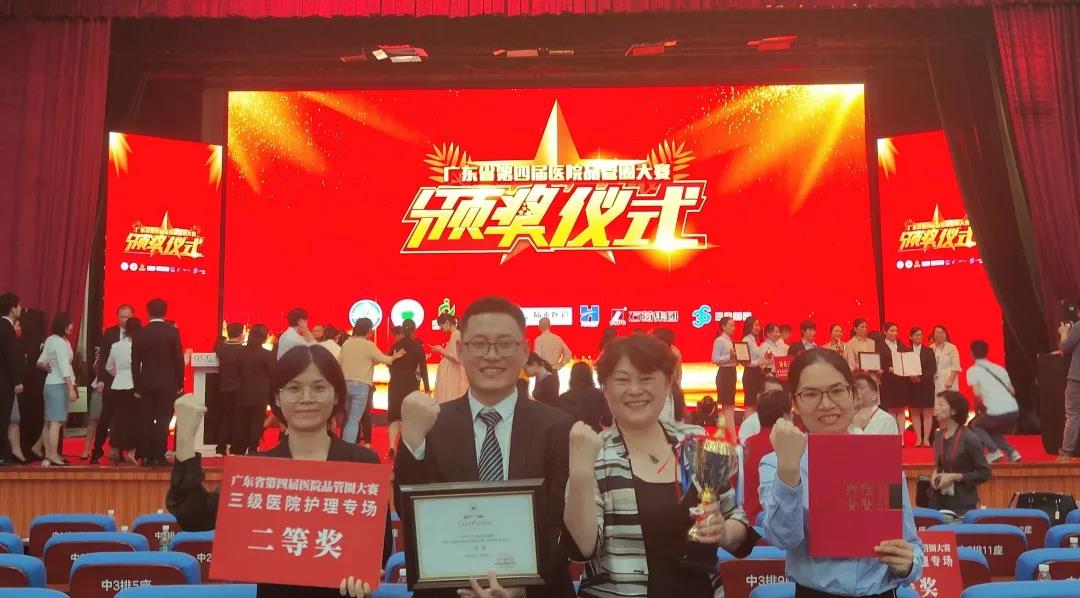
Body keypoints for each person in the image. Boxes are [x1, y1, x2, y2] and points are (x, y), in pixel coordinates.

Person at [167, 344, 383, 597]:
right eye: (294, 388)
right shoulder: (258, 471)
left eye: (319, 387)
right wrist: (185, 440)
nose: (306, 398)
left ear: (336, 395)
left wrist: (366, 577)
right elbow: (195, 517)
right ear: (277, 398)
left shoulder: (363, 464)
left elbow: (381, 549)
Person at [395, 296, 574, 598]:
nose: (492, 355)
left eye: (504, 344)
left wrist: (522, 587)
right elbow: (411, 514)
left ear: (524, 351)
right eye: (479, 344)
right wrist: (411, 440)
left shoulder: (558, 427)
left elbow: (564, 527)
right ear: (461, 350)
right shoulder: (431, 424)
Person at [563, 334, 756, 598]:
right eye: (622, 380)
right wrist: (580, 474)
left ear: (667, 385)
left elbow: (738, 522)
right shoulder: (594, 454)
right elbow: (583, 548)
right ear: (605, 389)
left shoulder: (696, 444)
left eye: (646, 379)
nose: (635, 390)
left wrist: (723, 531)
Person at [760, 349, 923, 596]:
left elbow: (910, 542)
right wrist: (789, 471)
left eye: (837, 391)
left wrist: (908, 564)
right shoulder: (777, 463)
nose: (826, 404)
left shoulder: (881, 459)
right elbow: (784, 539)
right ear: (795, 403)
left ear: (854, 395)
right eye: (811, 394)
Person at [131, 298, 185, 467]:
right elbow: (178, 359)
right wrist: (179, 382)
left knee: (146, 419)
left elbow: (135, 362)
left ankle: (145, 456)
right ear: (165, 312)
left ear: (148, 312)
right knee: (163, 420)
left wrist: (136, 385)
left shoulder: (140, 333)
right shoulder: (172, 332)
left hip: (146, 382)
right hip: (168, 382)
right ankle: (159, 455)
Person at [338, 318, 402, 444]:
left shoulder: (347, 344)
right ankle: (348, 448)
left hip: (345, 384)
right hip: (361, 385)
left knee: (348, 418)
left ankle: (344, 446)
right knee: (354, 420)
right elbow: (386, 360)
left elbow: (339, 361)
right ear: (368, 330)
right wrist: (395, 356)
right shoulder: (368, 345)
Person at [929, 391, 990, 516]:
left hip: (963, 505)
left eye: (941, 404)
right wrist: (935, 474)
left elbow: (985, 473)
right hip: (938, 502)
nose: (936, 408)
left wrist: (955, 477)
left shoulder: (970, 439)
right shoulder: (938, 435)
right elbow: (941, 465)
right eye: (936, 404)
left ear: (954, 411)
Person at [90, 304, 134, 464]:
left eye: (128, 316)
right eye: (122, 316)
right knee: (106, 417)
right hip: (111, 383)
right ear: (117, 317)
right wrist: (101, 379)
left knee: (126, 418)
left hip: (131, 384)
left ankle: (120, 451)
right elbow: (103, 359)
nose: (125, 319)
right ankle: (97, 451)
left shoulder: (137, 333)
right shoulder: (110, 333)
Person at [743, 389, 793, 526]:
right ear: (786, 416)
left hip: (745, 524)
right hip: (778, 526)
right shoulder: (794, 446)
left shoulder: (744, 446)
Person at [965, 340, 1021, 463]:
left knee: (976, 425)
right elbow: (1012, 390)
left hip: (997, 411)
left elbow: (977, 394)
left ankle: (993, 451)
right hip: (1014, 410)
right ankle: (1012, 453)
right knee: (991, 429)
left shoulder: (973, 371)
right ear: (987, 352)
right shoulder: (999, 369)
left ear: (971, 353)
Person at [34, 313, 77, 467]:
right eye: (69, 324)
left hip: (50, 384)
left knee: (49, 421)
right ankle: (52, 455)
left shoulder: (51, 340)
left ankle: (49, 453)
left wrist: (48, 368)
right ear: (62, 325)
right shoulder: (59, 343)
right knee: (56, 422)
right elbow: (64, 367)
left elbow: (40, 362)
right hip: (59, 385)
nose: (71, 326)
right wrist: (71, 388)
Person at [387, 319, 429, 455]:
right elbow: (423, 369)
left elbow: (389, 363)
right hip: (410, 385)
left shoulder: (395, 346)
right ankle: (405, 449)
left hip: (394, 384)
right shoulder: (417, 347)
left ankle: (391, 446)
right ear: (413, 330)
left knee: (394, 417)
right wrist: (427, 388)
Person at [105, 317, 142, 465]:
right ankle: (132, 450)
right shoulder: (139, 346)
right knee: (134, 420)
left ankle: (114, 449)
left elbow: (108, 367)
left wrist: (119, 375)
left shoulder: (116, 346)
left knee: (118, 419)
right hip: (133, 385)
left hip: (117, 385)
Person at [235, 324, 275, 455]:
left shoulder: (239, 353)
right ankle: (253, 448)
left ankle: (239, 449)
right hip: (260, 394)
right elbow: (273, 374)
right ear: (264, 338)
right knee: (256, 423)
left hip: (242, 392)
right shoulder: (267, 355)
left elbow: (236, 372)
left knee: (241, 422)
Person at [213, 323, 245, 455]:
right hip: (239, 388)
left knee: (225, 418)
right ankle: (235, 449)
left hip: (224, 388)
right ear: (241, 334)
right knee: (238, 419)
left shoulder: (220, 348)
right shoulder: (243, 350)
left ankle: (220, 449)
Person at [0, 292, 24, 466]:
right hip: (4, 381)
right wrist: (17, 381)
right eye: (19, 306)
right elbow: (11, 357)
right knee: (3, 418)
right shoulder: (6, 328)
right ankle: (3, 456)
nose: (21, 308)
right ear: (12, 309)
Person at [878, 322, 910, 444]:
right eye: (891, 330)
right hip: (888, 380)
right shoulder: (880, 345)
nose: (894, 333)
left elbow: (906, 359)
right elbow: (878, 361)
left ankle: (901, 437)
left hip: (900, 380)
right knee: (891, 409)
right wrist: (888, 368)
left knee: (901, 409)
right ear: (885, 332)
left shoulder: (901, 344)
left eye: (896, 331)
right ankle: (893, 436)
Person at [557, 361, 611, 432]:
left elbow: (561, 422)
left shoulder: (564, 397)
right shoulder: (599, 394)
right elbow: (608, 421)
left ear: (572, 377)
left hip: (571, 435)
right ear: (589, 375)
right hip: (595, 434)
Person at [907, 328, 937, 447]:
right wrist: (910, 377)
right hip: (912, 385)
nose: (918, 337)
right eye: (916, 335)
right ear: (910, 337)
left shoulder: (929, 351)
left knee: (927, 413)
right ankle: (918, 438)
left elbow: (932, 369)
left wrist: (921, 378)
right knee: (915, 413)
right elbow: (904, 367)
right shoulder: (906, 351)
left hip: (926, 385)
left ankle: (926, 439)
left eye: (920, 334)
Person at [430, 313, 468, 404]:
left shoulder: (456, 335)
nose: (441, 329)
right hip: (450, 373)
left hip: (452, 374)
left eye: (441, 326)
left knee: (451, 397)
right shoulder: (455, 335)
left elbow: (456, 356)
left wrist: (441, 350)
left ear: (447, 322)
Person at [738, 376, 788, 446]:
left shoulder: (788, 420)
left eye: (780, 395)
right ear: (759, 396)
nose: (777, 399)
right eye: (773, 395)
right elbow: (743, 450)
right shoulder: (749, 423)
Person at [1057, 321, 1080, 462]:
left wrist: (1064, 332)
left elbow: (1064, 348)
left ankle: (1065, 454)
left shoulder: (1078, 326)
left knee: (1073, 416)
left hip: (1077, 379)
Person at [712, 317, 738, 438]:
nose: (733, 328)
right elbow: (714, 359)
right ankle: (733, 437)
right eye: (731, 325)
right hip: (724, 374)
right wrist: (729, 356)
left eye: (734, 325)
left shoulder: (731, 341)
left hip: (732, 373)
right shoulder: (720, 340)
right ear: (723, 326)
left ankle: (721, 434)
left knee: (728, 405)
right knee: (728, 406)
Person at [651, 327, 685, 422]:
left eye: (652, 338)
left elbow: (678, 374)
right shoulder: (673, 352)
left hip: (667, 391)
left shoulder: (673, 354)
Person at [741, 317, 766, 415]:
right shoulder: (746, 340)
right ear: (749, 326)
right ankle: (748, 424)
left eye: (759, 325)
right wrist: (760, 363)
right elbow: (744, 362)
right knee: (750, 403)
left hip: (757, 374)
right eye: (756, 325)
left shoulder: (754, 341)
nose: (758, 328)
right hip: (750, 374)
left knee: (755, 403)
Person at [931, 325, 962, 395]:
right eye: (938, 333)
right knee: (937, 400)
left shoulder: (952, 348)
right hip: (935, 381)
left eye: (942, 332)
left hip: (948, 381)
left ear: (945, 334)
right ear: (934, 335)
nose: (940, 335)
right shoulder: (931, 347)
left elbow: (956, 366)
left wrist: (950, 380)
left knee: (948, 400)